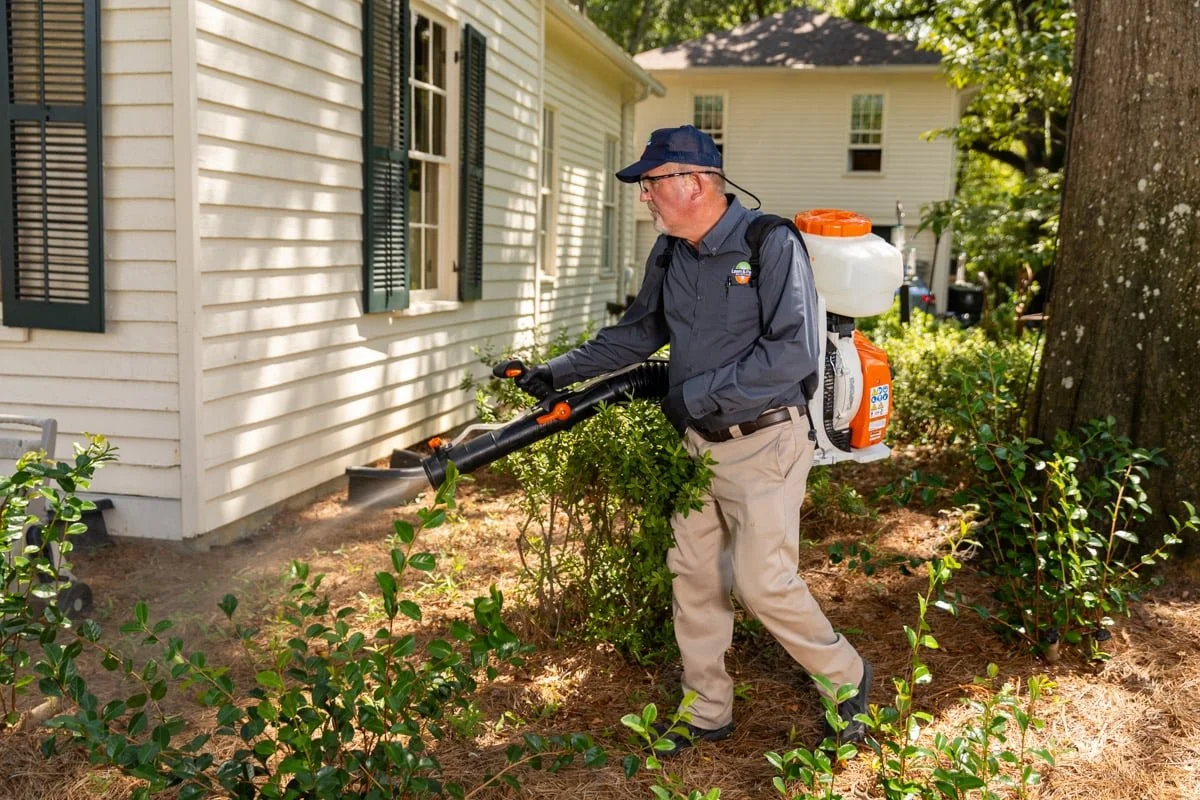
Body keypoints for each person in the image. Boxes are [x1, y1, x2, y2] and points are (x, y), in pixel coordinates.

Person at [510, 125, 871, 752]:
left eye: (651, 183)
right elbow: (638, 332)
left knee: (764, 583)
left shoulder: (768, 242)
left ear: (695, 182)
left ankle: (848, 683)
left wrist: (693, 396)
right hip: (698, 446)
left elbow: (792, 355)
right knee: (695, 577)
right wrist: (556, 373)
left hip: (764, 442)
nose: (644, 196)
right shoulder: (671, 251)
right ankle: (707, 710)